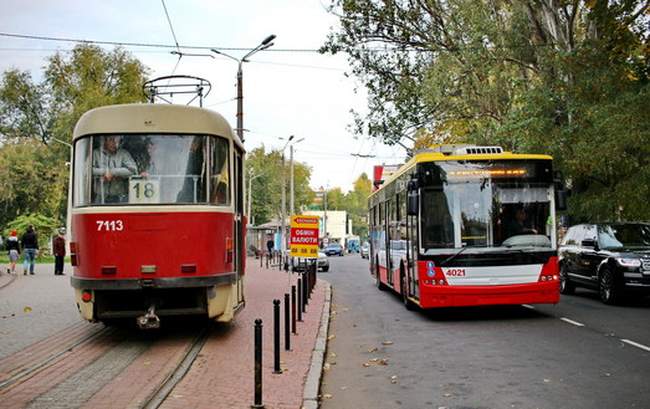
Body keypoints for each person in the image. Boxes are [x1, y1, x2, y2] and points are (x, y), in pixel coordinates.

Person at [92, 135, 138, 203]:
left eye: (117, 140)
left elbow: (133, 170)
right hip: (100, 197)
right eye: (111, 140)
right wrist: (104, 172)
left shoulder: (123, 153)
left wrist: (114, 172)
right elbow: (87, 171)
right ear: (104, 141)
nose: (115, 143)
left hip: (120, 198)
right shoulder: (95, 153)